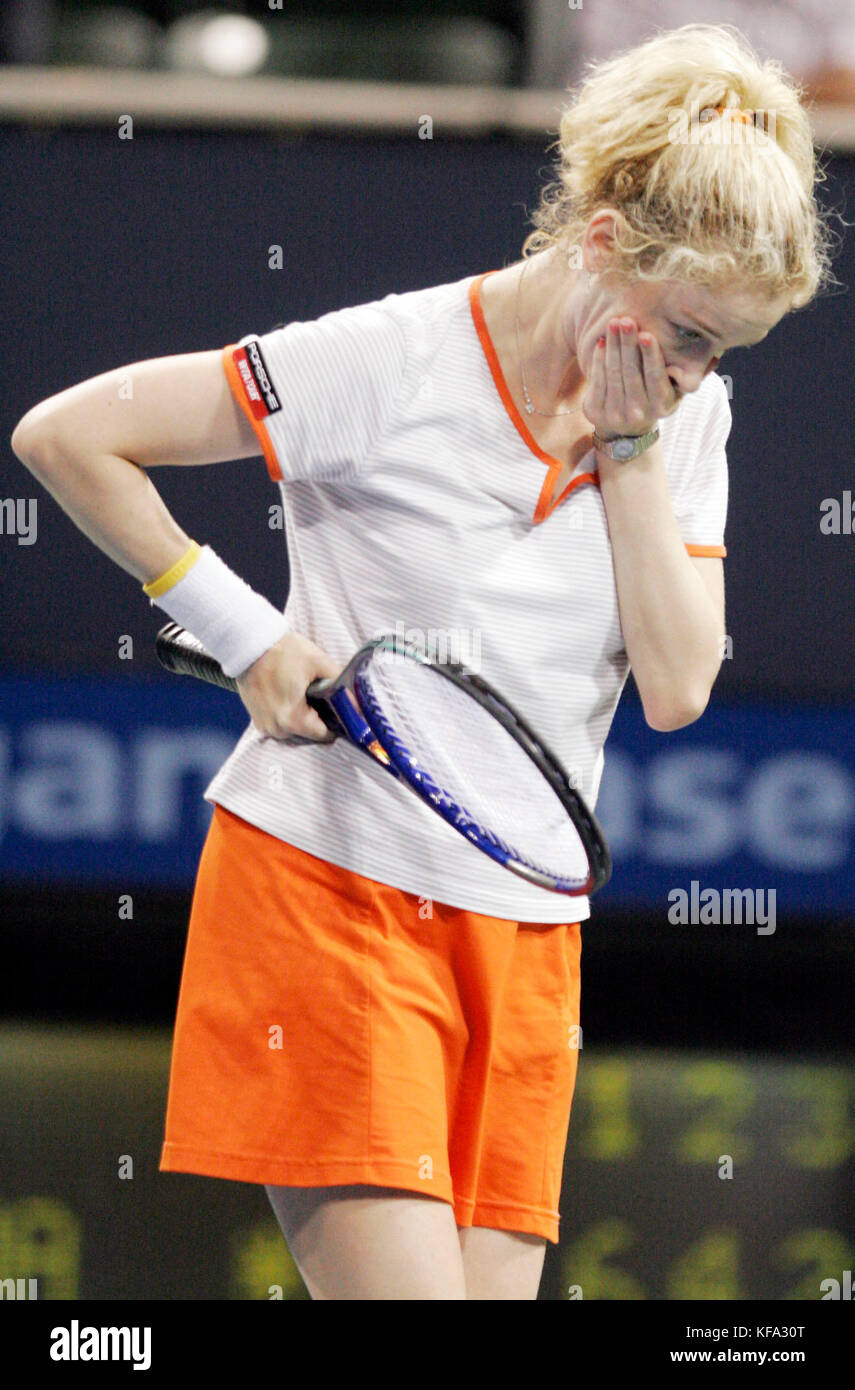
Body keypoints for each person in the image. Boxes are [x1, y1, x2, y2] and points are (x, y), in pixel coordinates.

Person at [11, 24, 832, 1300]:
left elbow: (678, 688)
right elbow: (66, 436)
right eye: (679, 335)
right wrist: (245, 635)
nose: (684, 377)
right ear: (605, 242)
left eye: (715, 352)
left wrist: (627, 451)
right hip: (334, 892)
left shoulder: (682, 420)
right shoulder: (392, 361)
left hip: (529, 934)